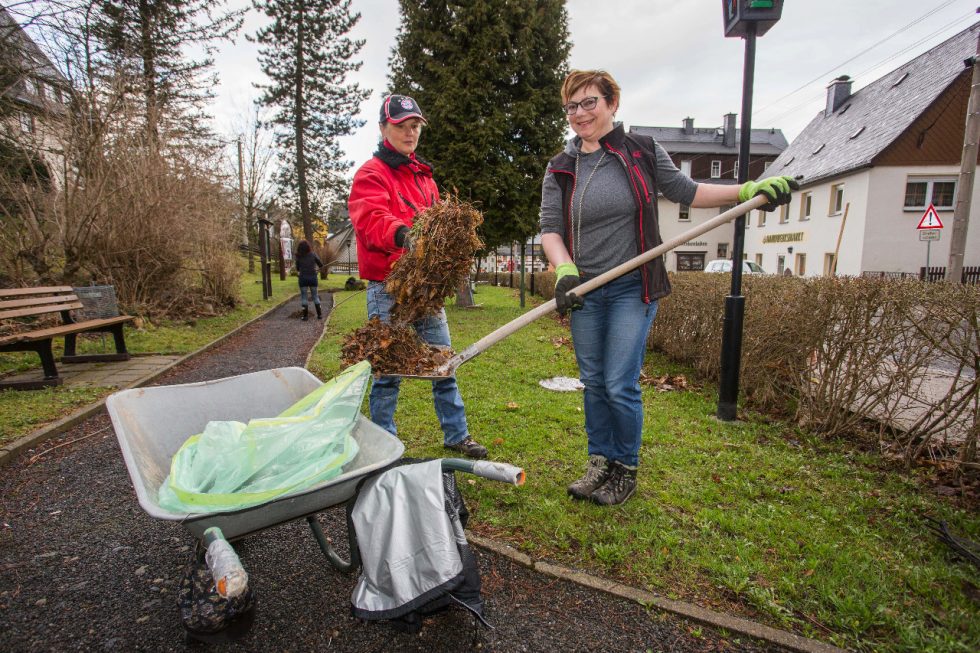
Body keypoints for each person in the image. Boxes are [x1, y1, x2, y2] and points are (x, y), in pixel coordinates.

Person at [540, 69, 797, 506]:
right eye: (572, 106)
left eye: (589, 103)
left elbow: (687, 191)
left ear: (611, 103)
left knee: (619, 382)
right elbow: (550, 229)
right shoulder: (562, 167)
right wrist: (564, 269)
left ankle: (625, 468)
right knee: (594, 382)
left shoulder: (640, 150)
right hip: (585, 291)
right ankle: (599, 461)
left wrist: (746, 189)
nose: (580, 113)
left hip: (632, 287)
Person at [347, 94, 487, 459]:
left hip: (425, 290)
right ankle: (383, 443)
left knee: (443, 362)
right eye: (400, 126)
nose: (409, 133)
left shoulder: (425, 178)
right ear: (383, 128)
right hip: (388, 287)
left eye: (414, 127)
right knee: (387, 369)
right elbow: (370, 219)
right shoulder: (370, 174)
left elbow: (439, 227)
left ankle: (457, 435)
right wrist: (405, 235)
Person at [294, 239, 323, 321]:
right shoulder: (313, 254)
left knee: (304, 297)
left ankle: (305, 316)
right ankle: (320, 315)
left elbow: (298, 268)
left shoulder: (298, 256)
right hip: (313, 278)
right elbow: (321, 265)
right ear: (308, 247)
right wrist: (317, 271)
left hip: (303, 278)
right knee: (315, 296)